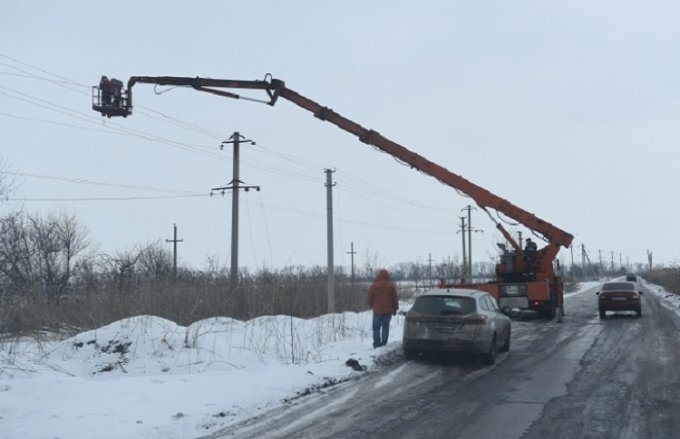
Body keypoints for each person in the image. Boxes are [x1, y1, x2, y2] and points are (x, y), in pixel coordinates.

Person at [367, 269, 399, 348]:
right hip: (388, 311)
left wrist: (372, 306)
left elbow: (369, 298)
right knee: (385, 327)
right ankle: (384, 343)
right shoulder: (391, 286)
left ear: (379, 276)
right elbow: (395, 299)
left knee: (376, 328)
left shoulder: (374, 286)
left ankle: (376, 343)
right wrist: (395, 308)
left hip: (377, 310)